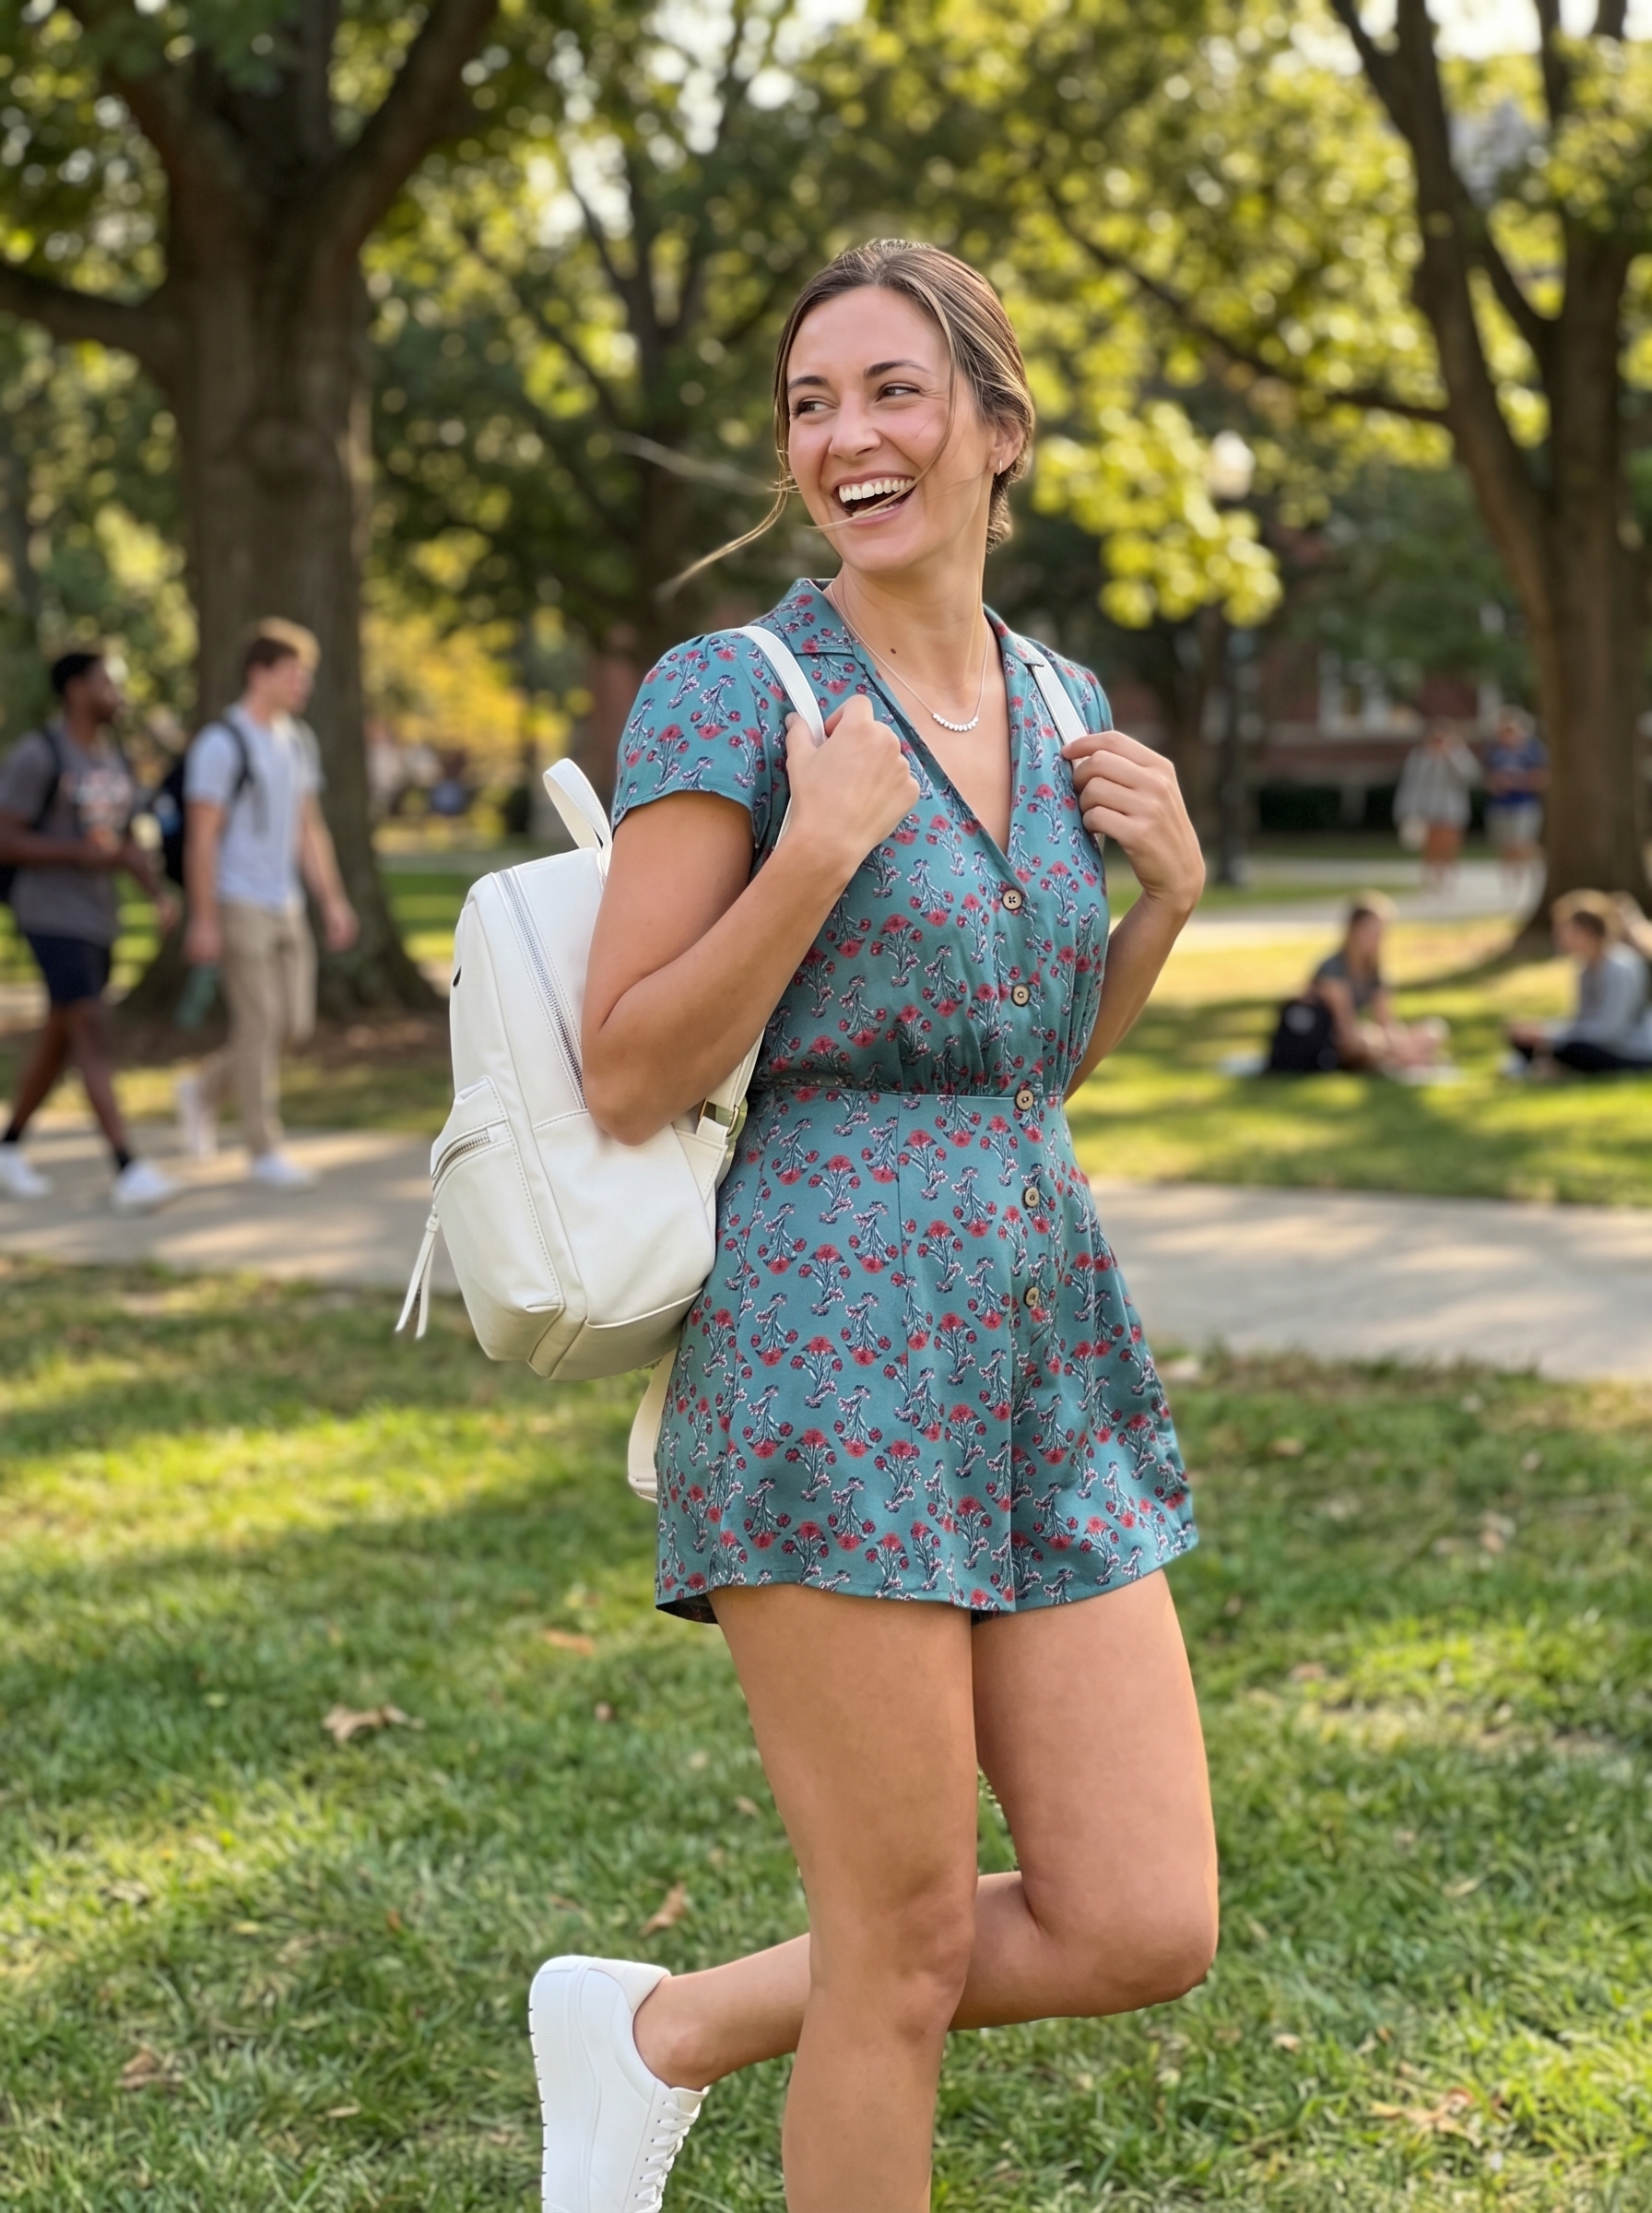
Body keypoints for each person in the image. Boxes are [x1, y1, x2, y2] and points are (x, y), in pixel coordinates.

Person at [527, 242, 1215, 2213]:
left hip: (1042, 1331)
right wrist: (812, 851)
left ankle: (656, 2029)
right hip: (825, 1344)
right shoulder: (730, 694)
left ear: (996, 430)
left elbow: (1022, 1064)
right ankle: (663, 2045)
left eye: (893, 390)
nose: (847, 436)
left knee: (1141, 1914)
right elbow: (627, 1067)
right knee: (896, 1953)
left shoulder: (1061, 701)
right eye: (810, 404)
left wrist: (1160, 908)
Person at [174, 621, 358, 1188]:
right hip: (238, 900)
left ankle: (202, 1090)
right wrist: (204, 918)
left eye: (305, 675)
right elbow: (201, 839)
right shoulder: (220, 744)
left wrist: (333, 902)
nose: (303, 684)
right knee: (259, 1022)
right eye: (292, 673)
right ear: (259, 674)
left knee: (292, 1024)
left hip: (287, 903)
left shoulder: (298, 741)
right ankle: (263, 1149)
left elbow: (309, 829)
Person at [0, 650, 182, 1212]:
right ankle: (126, 1166)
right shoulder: (40, 754)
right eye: (108, 683)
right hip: (50, 914)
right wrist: (78, 852)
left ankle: (8, 1147)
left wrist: (156, 893)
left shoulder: (116, 758)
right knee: (90, 1028)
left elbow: (123, 843)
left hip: (99, 916)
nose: (117, 694)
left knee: (62, 1033)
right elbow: (6, 838)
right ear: (76, 689)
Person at [1268, 893, 1446, 1074]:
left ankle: (1404, 1059)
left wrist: (1400, 1044)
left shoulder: (1375, 972)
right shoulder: (1333, 969)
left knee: (1432, 1031)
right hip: (1330, 1045)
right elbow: (1345, 1032)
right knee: (1367, 1043)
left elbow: (1386, 1023)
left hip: (1360, 1038)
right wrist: (1390, 1047)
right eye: (1371, 931)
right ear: (1353, 930)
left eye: (1381, 932)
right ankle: (1405, 1061)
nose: (1377, 938)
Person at [1506, 890, 1652, 1076]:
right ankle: (1540, 1065)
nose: (1558, 936)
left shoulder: (1621, 967)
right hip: (1599, 1044)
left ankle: (1548, 1066)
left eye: (1565, 930)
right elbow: (1581, 1022)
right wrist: (1542, 1030)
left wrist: (1548, 1034)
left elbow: (1609, 1032)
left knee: (1572, 1049)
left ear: (1587, 931)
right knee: (1526, 1039)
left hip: (1631, 1049)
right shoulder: (1586, 970)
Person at [1394, 716, 1479, 891]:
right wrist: (1407, 810)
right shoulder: (1420, 756)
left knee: (1449, 844)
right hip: (1426, 808)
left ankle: (1448, 877)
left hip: (1452, 808)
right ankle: (1430, 879)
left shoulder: (1459, 753)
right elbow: (1411, 783)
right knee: (1430, 845)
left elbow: (1471, 775)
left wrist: (1451, 754)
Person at [1482, 705, 1549, 902]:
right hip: (1500, 804)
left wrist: (1518, 781)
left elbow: (1542, 778)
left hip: (1525, 803)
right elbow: (1486, 778)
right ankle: (1509, 884)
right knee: (1505, 845)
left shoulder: (1533, 750)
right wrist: (1496, 783)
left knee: (1523, 843)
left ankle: (1527, 879)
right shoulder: (1493, 750)